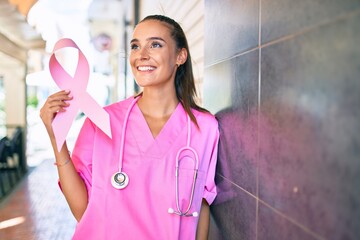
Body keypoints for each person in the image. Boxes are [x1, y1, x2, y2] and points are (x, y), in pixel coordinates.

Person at [40, 15, 219, 240]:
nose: (141, 55)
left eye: (155, 44)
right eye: (135, 46)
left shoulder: (204, 128)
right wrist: (57, 138)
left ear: (180, 56)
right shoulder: (101, 122)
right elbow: (82, 210)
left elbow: (201, 207)